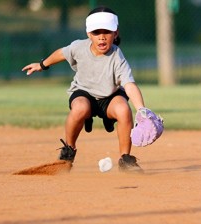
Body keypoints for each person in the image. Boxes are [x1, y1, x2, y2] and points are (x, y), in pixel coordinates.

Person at [22, 6, 146, 172]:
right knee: (80, 108)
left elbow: (129, 84)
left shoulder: (117, 56)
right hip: (84, 93)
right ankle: (68, 152)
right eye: (96, 32)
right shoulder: (79, 47)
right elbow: (61, 53)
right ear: (89, 34)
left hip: (109, 96)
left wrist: (141, 110)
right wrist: (42, 65)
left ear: (115, 33)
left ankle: (126, 159)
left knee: (124, 109)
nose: (102, 37)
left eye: (107, 32)